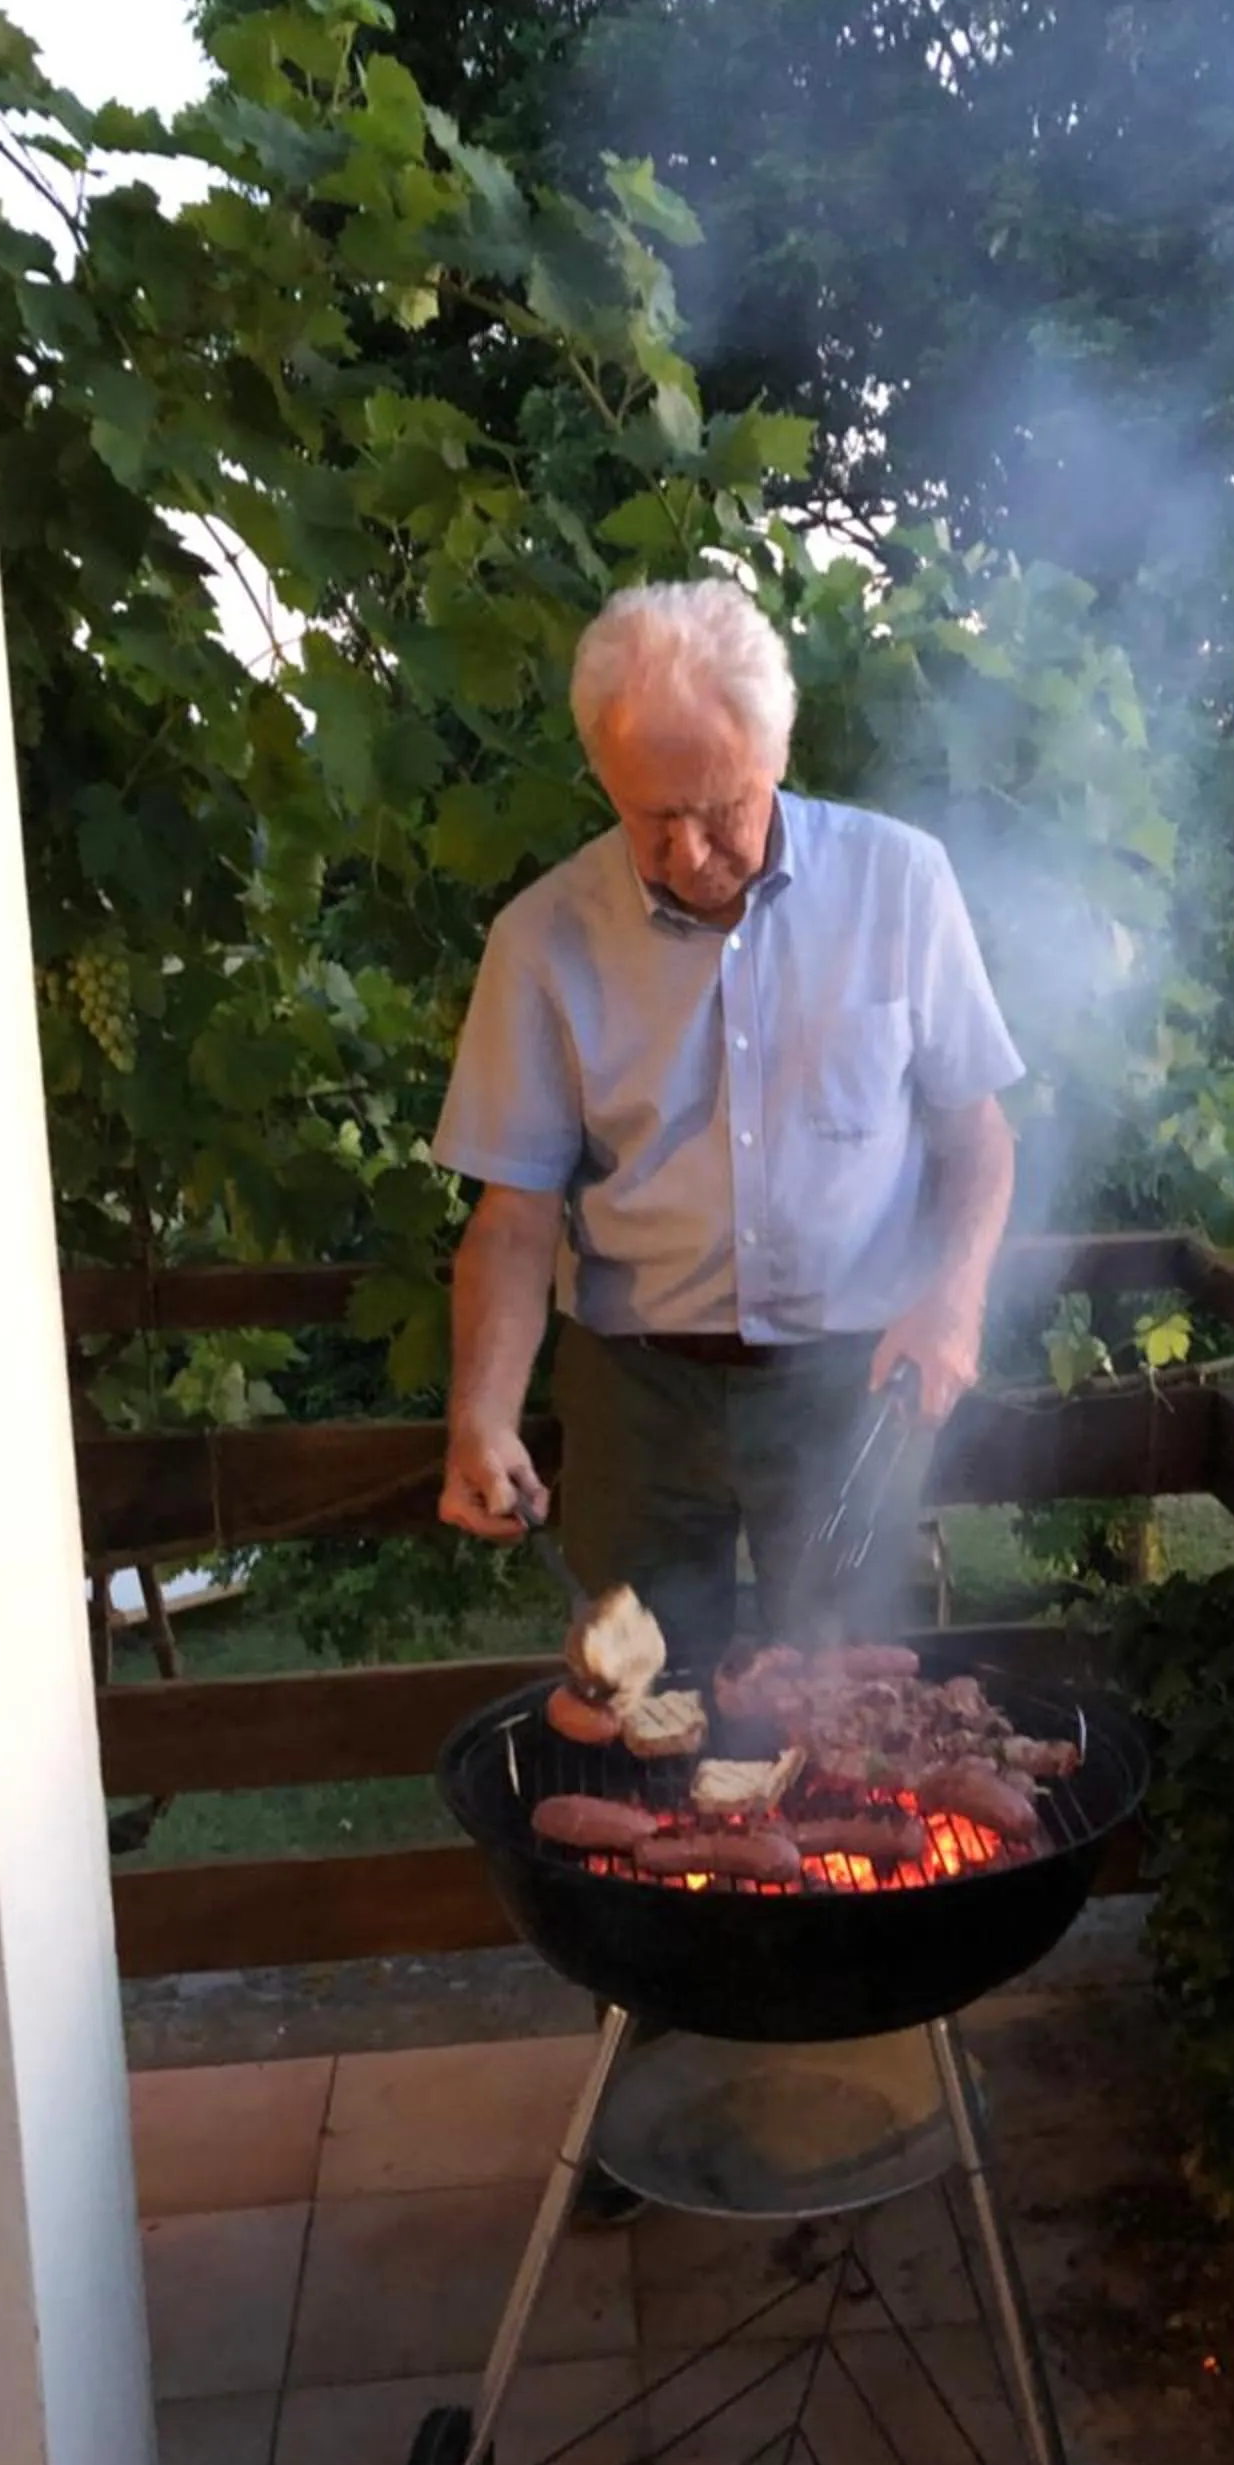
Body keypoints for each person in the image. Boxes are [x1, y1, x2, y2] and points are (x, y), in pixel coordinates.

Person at [434, 575, 1024, 1666]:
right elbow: (512, 1215)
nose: (693, 856)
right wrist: (484, 1413)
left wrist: (954, 1302)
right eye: (655, 820)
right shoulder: (542, 938)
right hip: (636, 1393)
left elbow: (977, 1136)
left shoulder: (901, 885)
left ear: (777, 754)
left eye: (723, 810)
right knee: (637, 1702)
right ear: (604, 775)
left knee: (858, 1699)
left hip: (852, 1386)